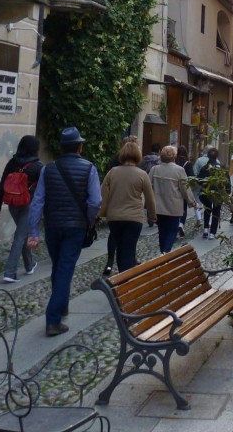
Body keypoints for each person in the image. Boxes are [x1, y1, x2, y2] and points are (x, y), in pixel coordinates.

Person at [27, 126, 101, 337]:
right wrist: (89, 220)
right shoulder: (89, 168)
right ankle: (53, 319)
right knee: (65, 269)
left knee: (58, 267)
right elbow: (95, 201)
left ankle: (61, 304)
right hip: (75, 227)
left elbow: (38, 201)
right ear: (79, 147)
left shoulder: (48, 169)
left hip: (53, 226)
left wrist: (34, 231)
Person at [99, 135, 156, 276]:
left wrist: (101, 213)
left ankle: (122, 276)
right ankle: (125, 279)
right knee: (129, 248)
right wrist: (152, 216)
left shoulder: (112, 172)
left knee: (119, 247)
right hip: (134, 218)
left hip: (115, 217)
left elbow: (103, 194)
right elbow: (150, 198)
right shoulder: (142, 174)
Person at [0, 135, 43, 283]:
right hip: (28, 205)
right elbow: (42, 190)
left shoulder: (12, 163)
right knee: (20, 236)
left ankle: (29, 264)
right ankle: (10, 272)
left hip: (12, 204)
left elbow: (2, 185)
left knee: (23, 234)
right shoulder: (38, 166)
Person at [148, 144, 200, 253]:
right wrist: (192, 202)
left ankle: (163, 252)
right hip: (174, 207)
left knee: (162, 231)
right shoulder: (179, 170)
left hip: (159, 206)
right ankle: (165, 252)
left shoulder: (154, 169)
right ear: (174, 157)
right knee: (172, 231)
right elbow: (185, 188)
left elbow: (148, 187)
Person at [196, 148, 221, 238]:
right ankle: (212, 233)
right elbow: (226, 181)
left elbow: (199, 180)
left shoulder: (205, 168)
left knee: (207, 209)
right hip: (218, 192)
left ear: (208, 156)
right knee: (216, 211)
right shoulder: (220, 168)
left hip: (206, 191)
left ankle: (206, 228)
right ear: (217, 156)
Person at [175, 146, 194, 238]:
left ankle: (175, 224)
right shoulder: (188, 164)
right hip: (184, 188)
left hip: (174, 189)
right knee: (184, 208)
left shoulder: (174, 162)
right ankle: (181, 224)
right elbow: (192, 176)